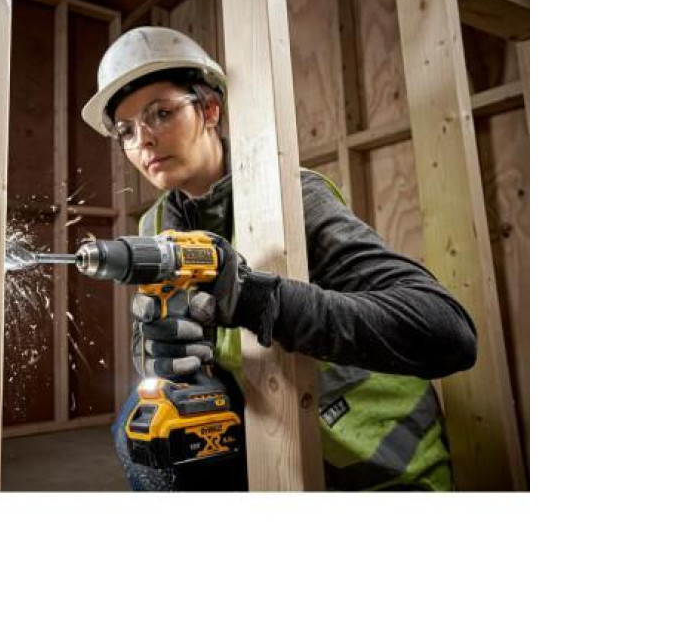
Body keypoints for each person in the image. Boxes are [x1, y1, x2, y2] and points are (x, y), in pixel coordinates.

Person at [82, 26, 478, 491]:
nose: (143, 141)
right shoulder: (154, 226)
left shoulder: (294, 196)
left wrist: (260, 301)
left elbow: (448, 331)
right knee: (142, 427)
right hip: (272, 442)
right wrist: (160, 354)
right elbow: (170, 347)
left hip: (383, 458)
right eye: (126, 131)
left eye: (161, 113)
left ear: (209, 110)